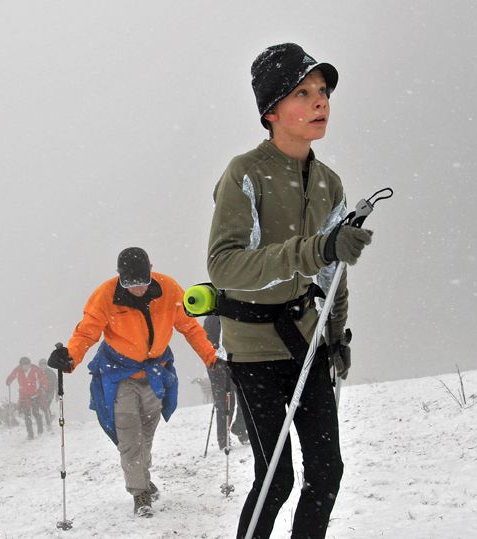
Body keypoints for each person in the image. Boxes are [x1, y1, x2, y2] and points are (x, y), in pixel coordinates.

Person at [206, 43, 372, 538]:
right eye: (303, 92)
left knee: (326, 472)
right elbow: (225, 266)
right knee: (275, 479)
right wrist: (314, 249)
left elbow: (332, 270)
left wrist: (336, 334)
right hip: (254, 348)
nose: (320, 101)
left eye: (322, 91)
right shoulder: (246, 173)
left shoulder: (329, 182)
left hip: (309, 340)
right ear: (271, 111)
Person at [47, 247, 216, 518]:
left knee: (145, 437)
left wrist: (211, 358)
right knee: (129, 438)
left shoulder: (169, 289)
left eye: (143, 281)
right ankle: (140, 494)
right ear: (119, 276)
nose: (137, 288)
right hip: (119, 376)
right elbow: (87, 331)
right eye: (129, 283)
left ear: (151, 269)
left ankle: (142, 478)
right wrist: (70, 358)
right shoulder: (105, 296)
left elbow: (190, 327)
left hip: (155, 374)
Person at [203, 314, 248, 450]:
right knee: (225, 404)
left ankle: (239, 428)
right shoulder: (211, 320)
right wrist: (219, 358)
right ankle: (223, 440)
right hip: (217, 367)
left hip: (235, 364)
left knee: (244, 399)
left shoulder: (233, 314)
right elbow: (207, 344)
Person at [5, 356, 48, 440]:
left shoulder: (35, 370)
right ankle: (30, 434)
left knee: (36, 413)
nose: (25, 367)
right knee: (27, 415)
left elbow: (43, 379)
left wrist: (44, 387)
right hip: (24, 396)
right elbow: (12, 376)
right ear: (21, 366)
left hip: (35, 395)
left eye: (27, 365)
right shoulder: (18, 370)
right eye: (24, 366)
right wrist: (8, 381)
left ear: (30, 364)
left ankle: (40, 430)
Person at [37, 358, 57, 431]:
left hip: (49, 393)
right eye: (41, 365)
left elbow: (56, 383)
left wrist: (57, 394)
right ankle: (50, 416)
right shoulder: (37, 372)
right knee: (44, 407)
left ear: (46, 365)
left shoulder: (50, 373)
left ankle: (48, 424)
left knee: (45, 406)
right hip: (41, 393)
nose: (42, 366)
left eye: (44, 365)